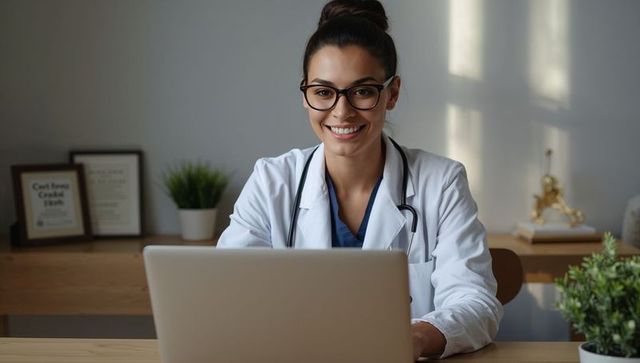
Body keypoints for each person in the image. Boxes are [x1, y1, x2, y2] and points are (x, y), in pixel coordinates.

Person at [217, 0, 502, 359]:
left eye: (362, 91)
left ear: (392, 93)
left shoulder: (441, 183)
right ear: (305, 95)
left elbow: (475, 301)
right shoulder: (273, 181)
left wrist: (410, 339)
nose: (341, 111)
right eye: (323, 92)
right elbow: (229, 295)